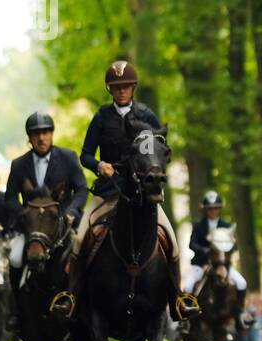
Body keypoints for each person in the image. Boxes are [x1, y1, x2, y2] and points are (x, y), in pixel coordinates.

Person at [49, 61, 198, 321]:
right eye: (117, 87)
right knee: (80, 237)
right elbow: (85, 155)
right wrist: (99, 165)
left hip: (141, 194)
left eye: (126, 87)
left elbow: (162, 150)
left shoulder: (146, 115)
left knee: (171, 240)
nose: (121, 91)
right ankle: (70, 297)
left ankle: (178, 298)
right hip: (108, 191)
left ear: (133, 88)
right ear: (110, 89)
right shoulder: (101, 117)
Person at [5, 111, 88, 281]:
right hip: (32, 228)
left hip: (64, 224)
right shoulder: (19, 164)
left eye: (45, 133)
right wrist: (25, 215)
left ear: (51, 134)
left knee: (87, 254)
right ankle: (17, 304)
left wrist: (72, 211)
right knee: (14, 258)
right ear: (29, 137)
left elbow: (82, 189)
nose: (41, 138)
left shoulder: (68, 157)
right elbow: (10, 198)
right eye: (36, 134)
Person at [184, 191, 247, 299]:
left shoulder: (227, 226)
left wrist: (224, 251)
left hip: (222, 265)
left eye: (216, 208)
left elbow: (234, 246)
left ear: (219, 208)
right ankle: (188, 311)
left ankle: (240, 312)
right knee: (188, 286)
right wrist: (205, 250)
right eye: (210, 208)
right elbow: (192, 244)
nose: (213, 211)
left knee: (241, 283)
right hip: (201, 264)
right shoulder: (198, 225)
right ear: (205, 209)